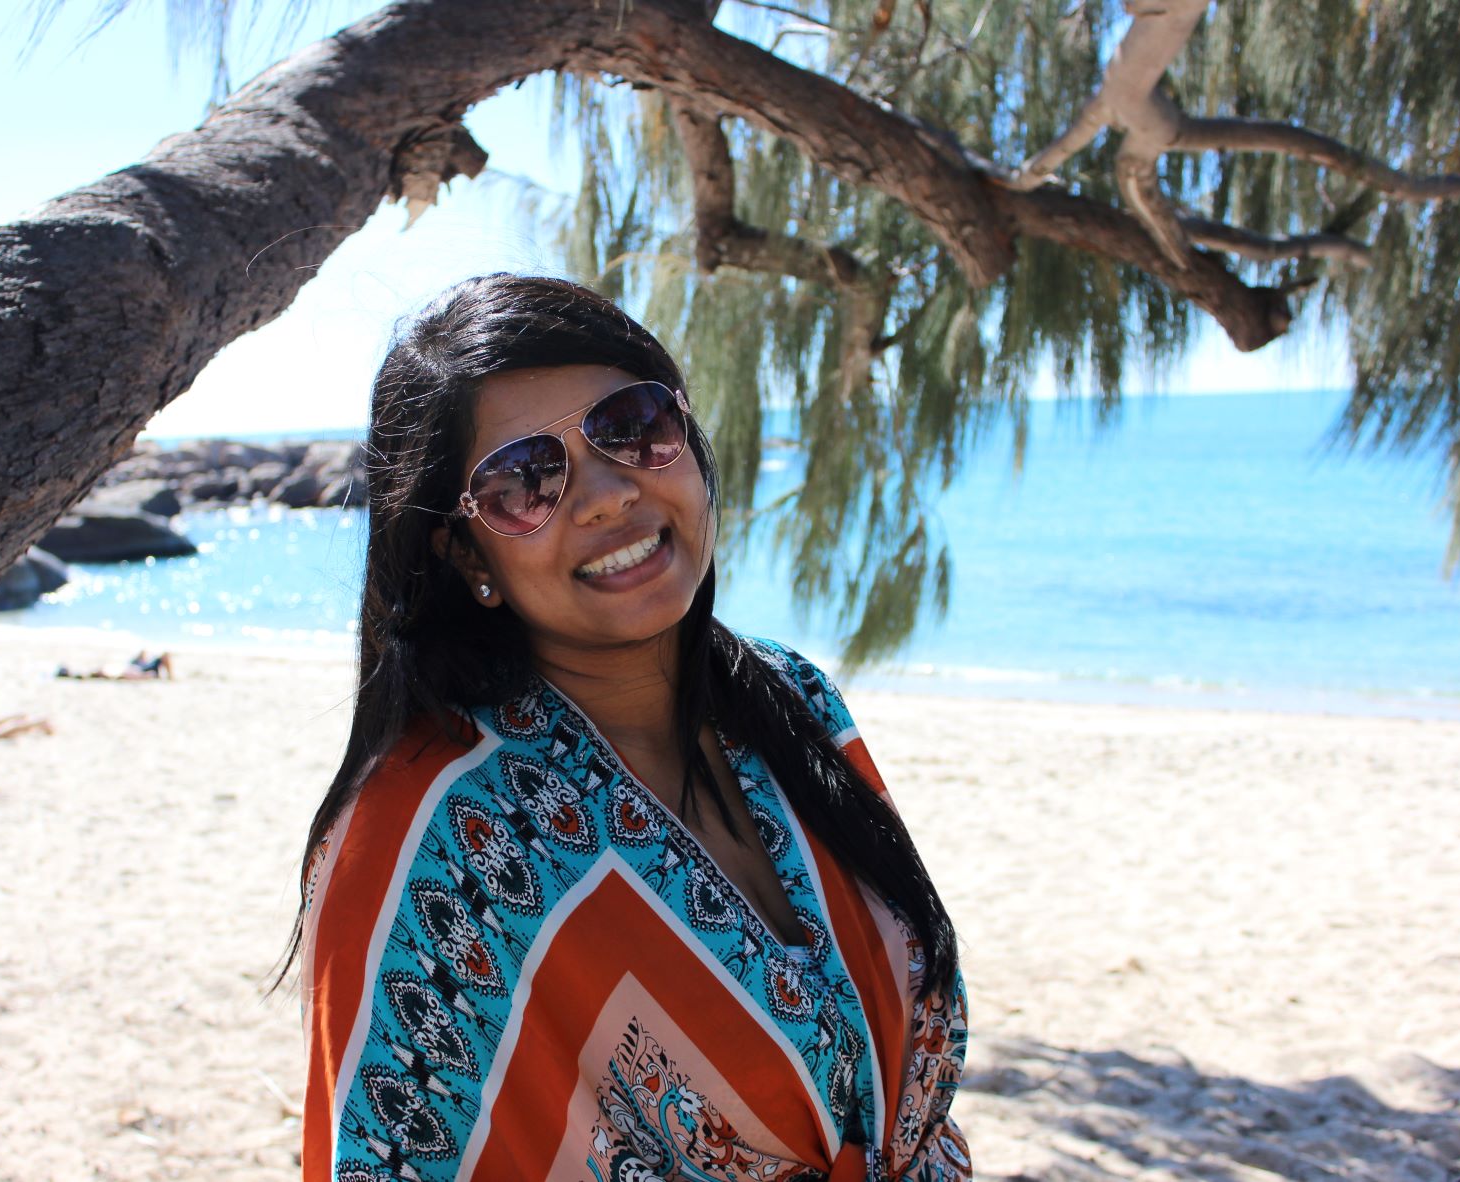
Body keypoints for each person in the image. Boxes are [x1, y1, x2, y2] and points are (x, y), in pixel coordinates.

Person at [288, 276, 969, 1180]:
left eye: (634, 425)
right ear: (464, 553)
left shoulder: (795, 705)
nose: (607, 496)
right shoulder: (434, 834)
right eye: (523, 481)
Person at [53, 650, 174, 680]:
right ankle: (171, 677)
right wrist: (147, 675)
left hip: (135, 668)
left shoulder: (102, 673)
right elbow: (128, 675)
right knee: (165, 655)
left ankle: (171, 676)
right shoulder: (106, 674)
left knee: (144, 652)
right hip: (138, 670)